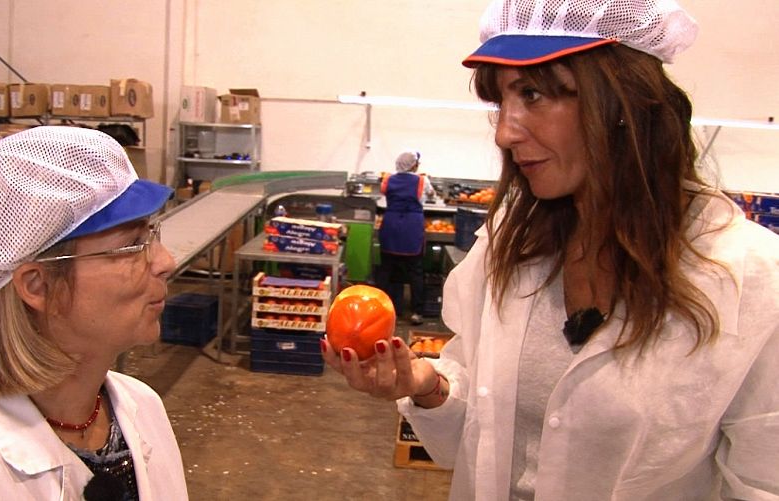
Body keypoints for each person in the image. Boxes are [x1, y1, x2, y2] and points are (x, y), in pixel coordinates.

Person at [322, 0, 779, 499]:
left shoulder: (750, 281)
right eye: (501, 102)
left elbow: (761, 483)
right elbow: (481, 441)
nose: (504, 132)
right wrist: (428, 387)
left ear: (625, 103)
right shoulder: (510, 247)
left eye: (535, 94)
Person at [0, 127, 189, 500]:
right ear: (37, 286)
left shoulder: (141, 406)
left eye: (152, 234)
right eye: (133, 245)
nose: (166, 261)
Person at [375, 151, 437, 325]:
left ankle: (381, 309)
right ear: (414, 165)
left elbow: (383, 196)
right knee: (416, 271)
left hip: (391, 224)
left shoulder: (387, 180)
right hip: (411, 226)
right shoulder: (422, 181)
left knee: (387, 270)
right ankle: (417, 312)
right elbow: (431, 195)